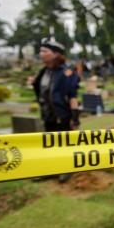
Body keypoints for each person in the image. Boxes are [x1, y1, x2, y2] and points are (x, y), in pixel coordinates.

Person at [32, 39, 80, 183]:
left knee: (65, 144)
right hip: (48, 114)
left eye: (44, 51)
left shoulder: (67, 72)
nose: (41, 54)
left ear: (55, 54)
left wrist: (75, 118)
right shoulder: (43, 72)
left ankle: (66, 169)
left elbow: (73, 97)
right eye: (40, 51)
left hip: (63, 115)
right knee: (50, 144)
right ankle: (50, 170)